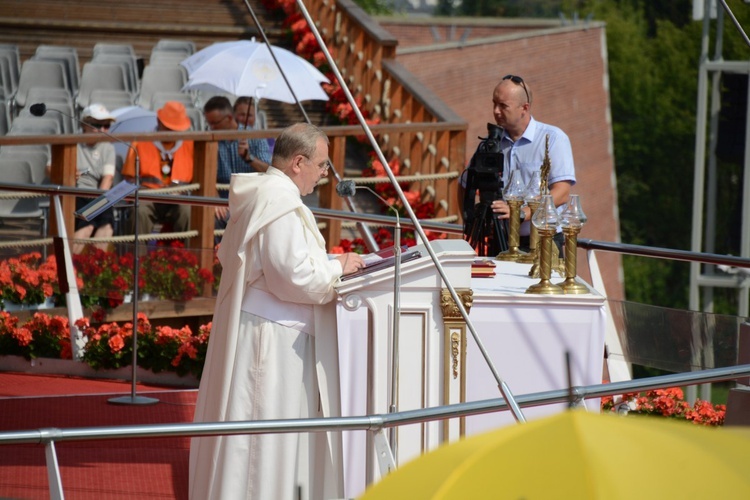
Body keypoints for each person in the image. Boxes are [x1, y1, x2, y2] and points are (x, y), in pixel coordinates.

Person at [189, 123, 364, 500]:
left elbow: (287, 263)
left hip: (272, 330)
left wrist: (333, 261)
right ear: (298, 162)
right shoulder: (279, 201)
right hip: (270, 341)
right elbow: (292, 274)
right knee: (261, 442)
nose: (324, 175)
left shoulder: (270, 194)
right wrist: (339, 266)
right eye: (321, 165)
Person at [459, 74, 576, 254]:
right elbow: (464, 184)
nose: (496, 111)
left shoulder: (553, 138)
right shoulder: (491, 144)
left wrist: (522, 213)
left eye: (503, 106)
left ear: (524, 108)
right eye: (494, 103)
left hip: (543, 241)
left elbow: (562, 193)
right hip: (500, 240)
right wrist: (471, 220)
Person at [121, 101, 194, 236]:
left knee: (188, 212)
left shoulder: (191, 145)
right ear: (159, 122)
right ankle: (138, 257)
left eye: (176, 129)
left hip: (180, 197)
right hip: (148, 196)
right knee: (139, 211)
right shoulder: (140, 142)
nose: (172, 133)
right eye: (169, 128)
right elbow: (129, 179)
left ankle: (188, 257)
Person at [203, 95, 271, 231]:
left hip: (252, 203)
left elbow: (270, 171)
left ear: (229, 118)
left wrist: (249, 158)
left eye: (215, 123)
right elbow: (204, 174)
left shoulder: (255, 137)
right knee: (211, 219)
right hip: (223, 204)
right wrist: (214, 200)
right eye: (209, 123)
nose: (211, 128)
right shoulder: (209, 140)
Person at [72, 103, 117, 253]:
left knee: (106, 226)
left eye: (107, 126)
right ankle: (70, 269)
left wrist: (97, 203)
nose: (104, 130)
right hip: (74, 193)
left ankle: (95, 267)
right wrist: (67, 173)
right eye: (99, 125)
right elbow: (50, 168)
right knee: (87, 226)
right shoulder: (70, 143)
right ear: (85, 124)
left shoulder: (108, 148)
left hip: (98, 196)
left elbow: (107, 179)